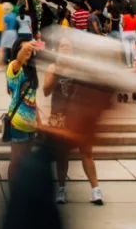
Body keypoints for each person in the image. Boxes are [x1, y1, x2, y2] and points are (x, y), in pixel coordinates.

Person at [44, 41, 104, 206]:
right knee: (62, 155)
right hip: (60, 116)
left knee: (87, 152)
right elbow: (46, 91)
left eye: (68, 46)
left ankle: (95, 189)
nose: (66, 48)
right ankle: (61, 188)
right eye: (62, 46)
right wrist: (57, 73)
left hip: (79, 115)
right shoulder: (52, 67)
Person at [5, 39, 40, 181]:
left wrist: (40, 122)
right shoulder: (14, 67)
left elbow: (33, 99)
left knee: (26, 162)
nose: (27, 51)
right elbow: (18, 60)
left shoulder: (31, 70)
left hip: (31, 124)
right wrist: (25, 48)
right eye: (23, 48)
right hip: (17, 123)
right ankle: (14, 194)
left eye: (29, 50)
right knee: (16, 161)